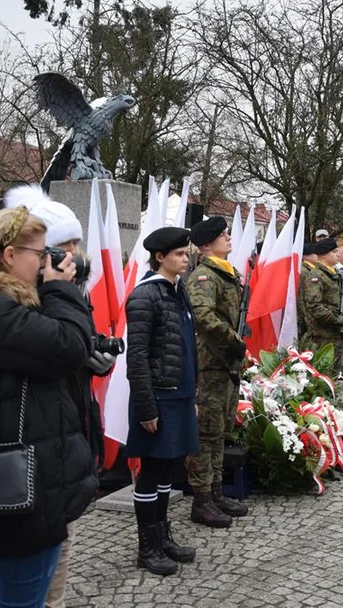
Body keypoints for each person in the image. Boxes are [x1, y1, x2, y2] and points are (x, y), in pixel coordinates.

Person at [0, 207, 99, 603]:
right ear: (9, 255)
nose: (45, 261)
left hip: (2, 472)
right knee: (20, 598)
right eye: (39, 251)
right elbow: (71, 347)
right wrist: (61, 289)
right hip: (25, 480)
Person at [4, 185, 108, 608]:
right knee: (42, 559)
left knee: (60, 547)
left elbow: (72, 348)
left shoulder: (63, 293)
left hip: (66, 432)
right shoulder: (26, 302)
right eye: (65, 246)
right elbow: (55, 350)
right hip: (37, 448)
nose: (75, 255)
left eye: (77, 244)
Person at [125, 226, 199, 575]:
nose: (186, 259)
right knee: (152, 472)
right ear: (159, 257)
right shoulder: (145, 296)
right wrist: (146, 406)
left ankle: (163, 536)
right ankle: (148, 546)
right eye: (180, 254)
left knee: (169, 468)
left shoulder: (176, 291)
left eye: (187, 254)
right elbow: (136, 357)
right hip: (157, 398)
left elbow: (185, 348)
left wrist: (192, 394)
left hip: (179, 396)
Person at [186, 217, 250, 528]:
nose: (228, 238)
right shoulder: (204, 277)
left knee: (221, 431)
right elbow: (203, 318)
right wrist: (234, 340)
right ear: (207, 244)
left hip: (225, 363)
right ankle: (201, 499)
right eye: (222, 235)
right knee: (206, 433)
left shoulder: (225, 273)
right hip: (210, 362)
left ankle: (215, 491)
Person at [301, 238, 343, 364]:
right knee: (323, 375)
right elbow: (314, 306)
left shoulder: (334, 274)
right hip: (321, 335)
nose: (338, 254)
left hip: (335, 333)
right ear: (322, 255)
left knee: (333, 374)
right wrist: (337, 319)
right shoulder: (316, 276)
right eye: (334, 252)